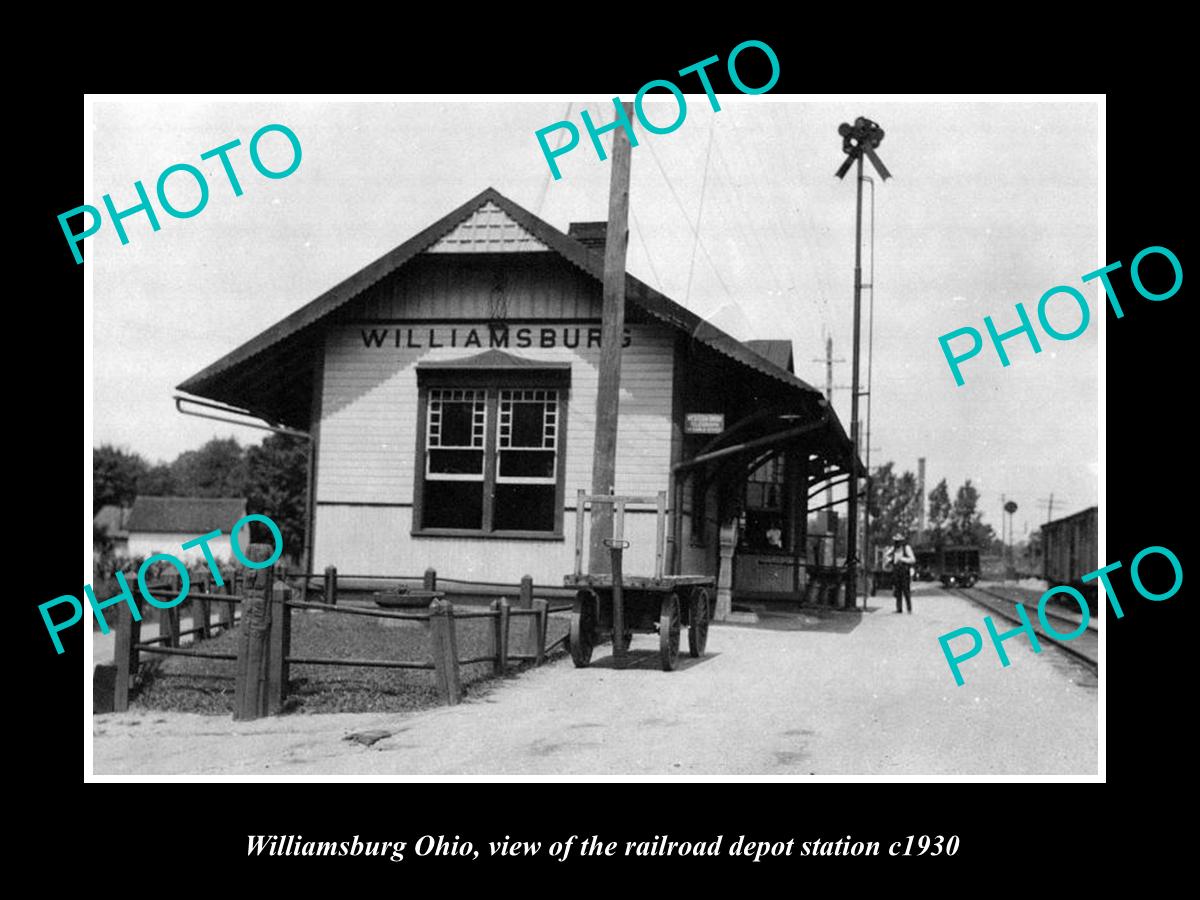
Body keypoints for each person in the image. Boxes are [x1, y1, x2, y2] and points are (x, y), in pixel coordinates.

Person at [884, 532, 916, 613]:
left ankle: (909, 608)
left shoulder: (906, 548)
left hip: (904, 571)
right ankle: (899, 608)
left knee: (906, 590)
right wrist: (889, 559)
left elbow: (912, 559)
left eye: (899, 541)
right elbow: (887, 556)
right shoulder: (893, 549)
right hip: (896, 571)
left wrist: (902, 559)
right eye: (896, 541)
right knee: (897, 590)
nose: (897, 543)